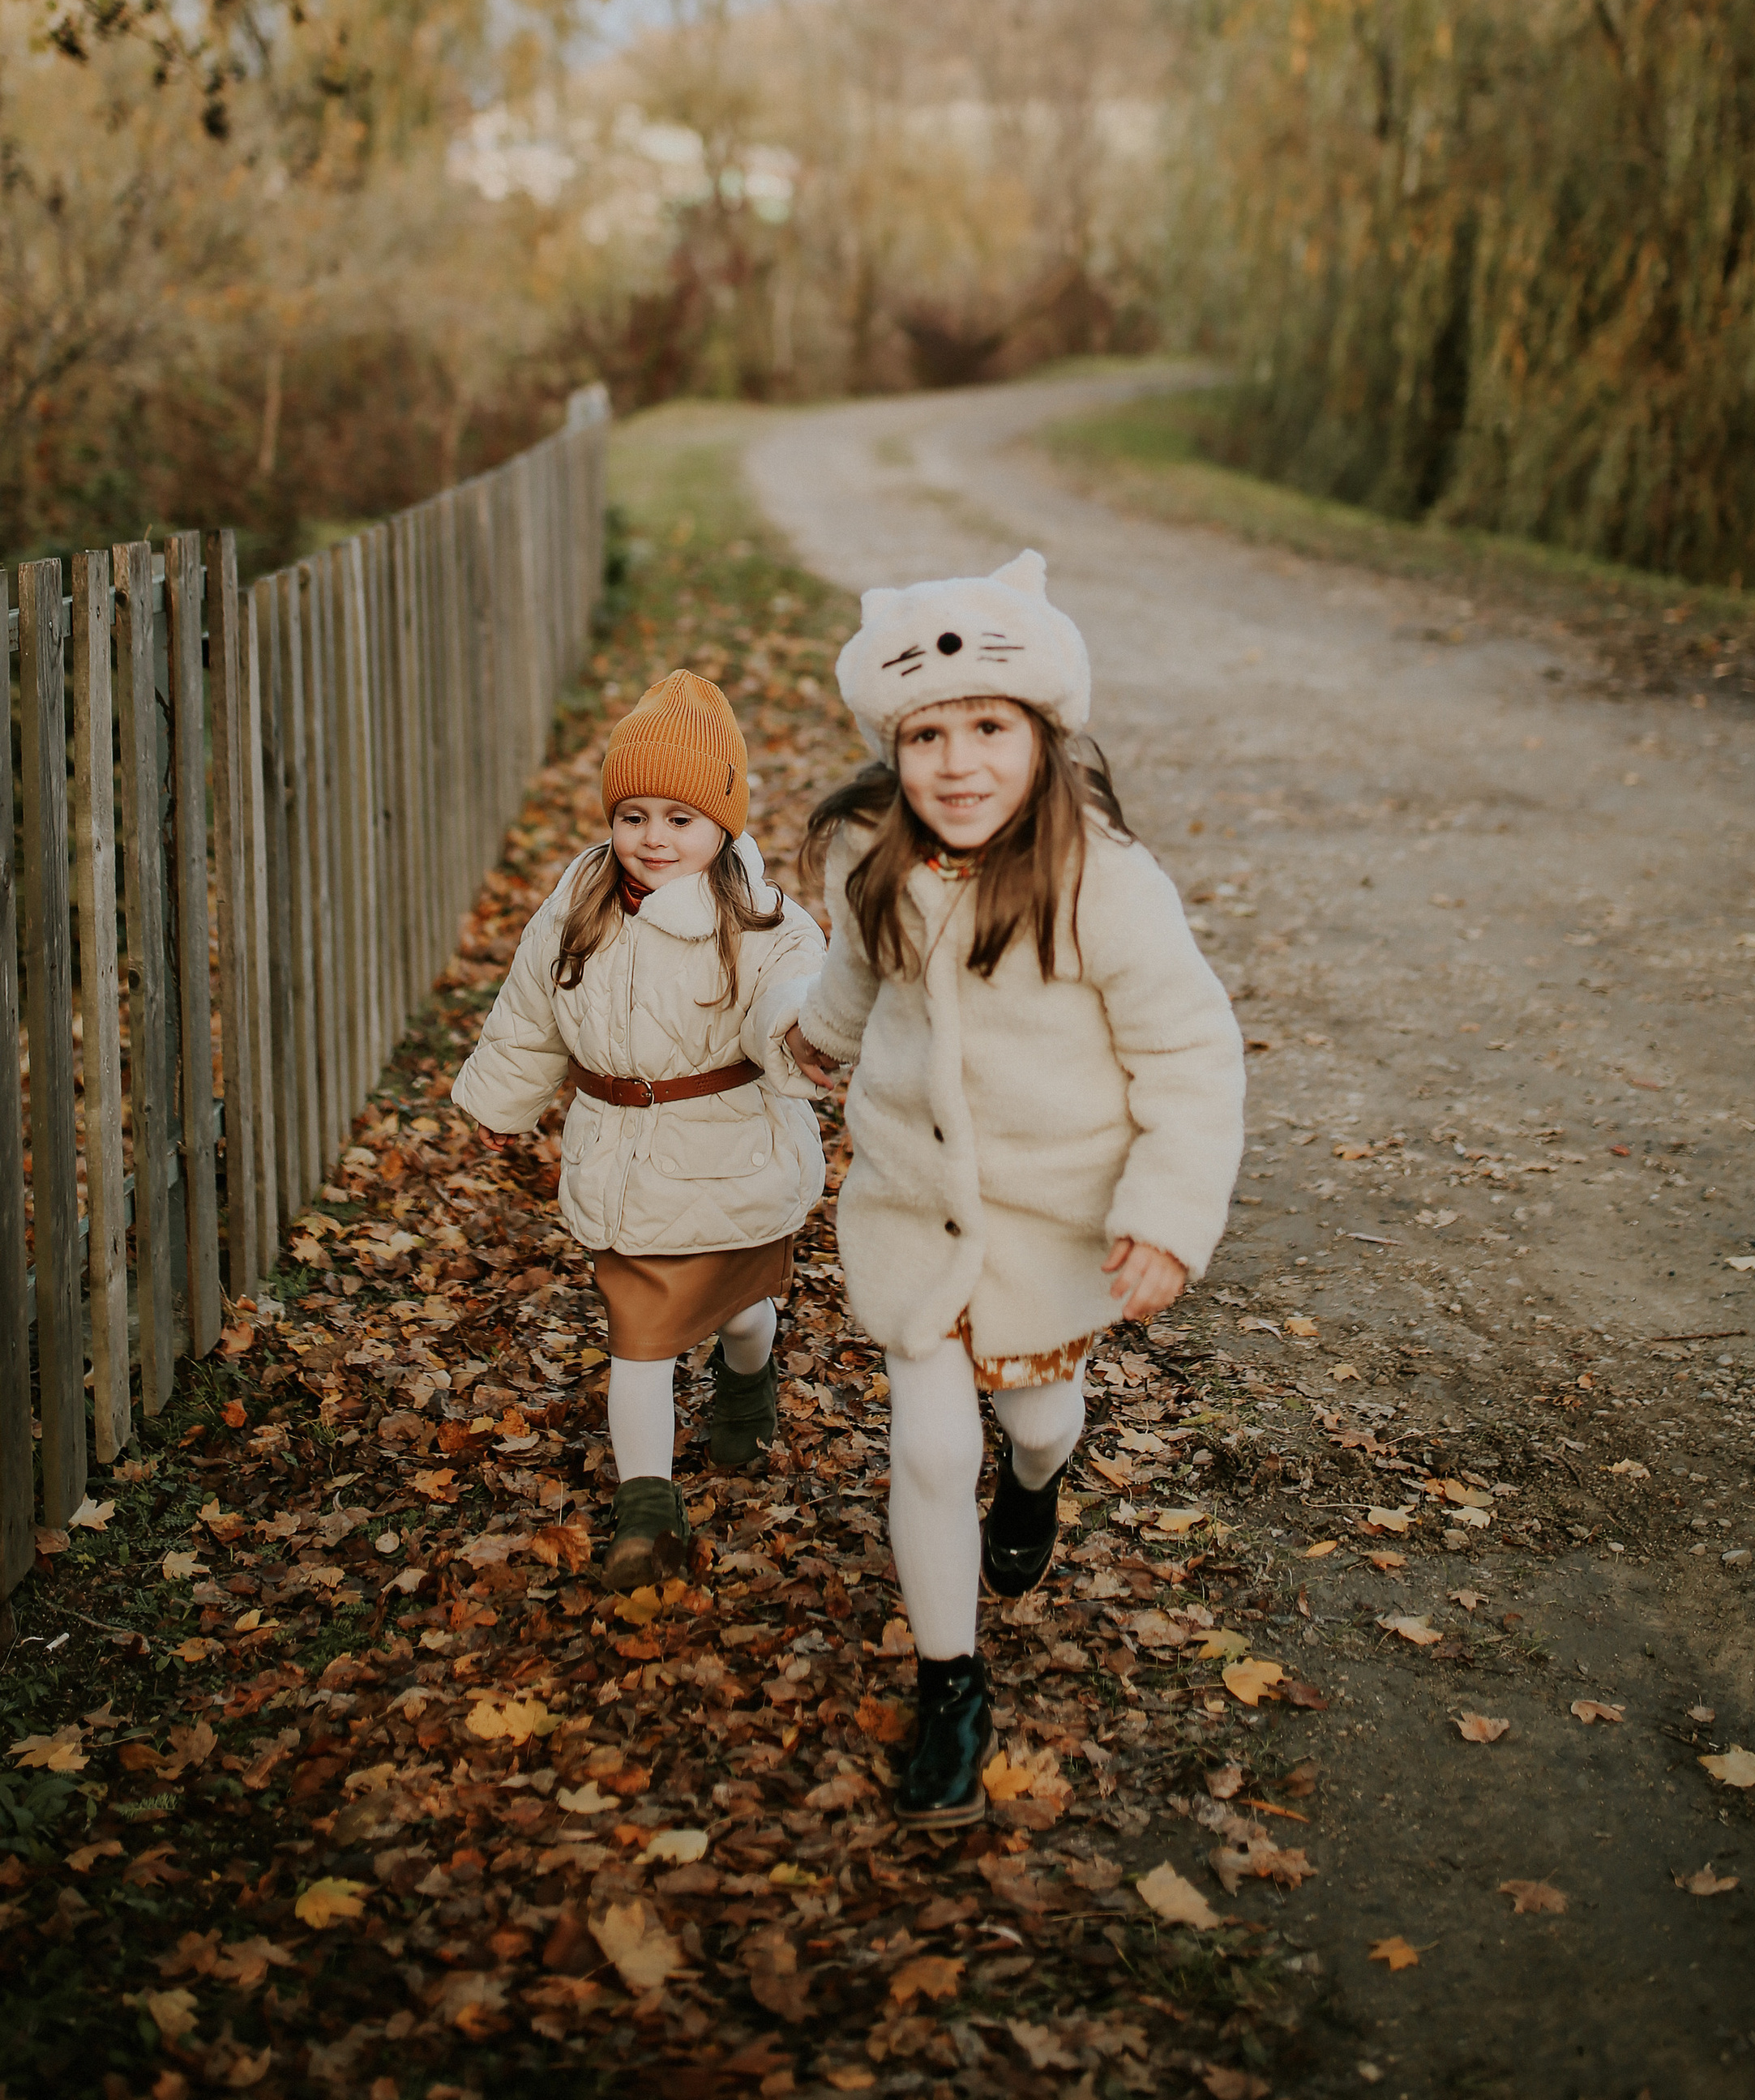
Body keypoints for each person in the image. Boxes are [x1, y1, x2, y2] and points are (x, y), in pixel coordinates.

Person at [786, 550, 1243, 1828]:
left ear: (1042, 732)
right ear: (893, 746)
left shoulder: (1103, 882)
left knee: (1035, 1422)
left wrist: (1167, 1213)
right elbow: (858, 977)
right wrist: (816, 1037)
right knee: (931, 1447)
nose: (958, 764)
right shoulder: (870, 855)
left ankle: (1037, 1480)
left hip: (1052, 1223)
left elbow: (1192, 1055)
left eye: (989, 729)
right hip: (911, 1204)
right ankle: (952, 1682)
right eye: (927, 735)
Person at [453, 669, 825, 1586]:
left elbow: (787, 1003)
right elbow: (530, 1011)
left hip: (728, 1161)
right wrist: (503, 1103)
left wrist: (802, 1030)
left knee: (743, 1314)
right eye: (633, 816)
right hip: (621, 1161)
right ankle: (647, 1510)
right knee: (640, 1339)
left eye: (680, 818)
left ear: (722, 824)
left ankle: (747, 1378)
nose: (653, 838)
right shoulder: (578, 901)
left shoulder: (763, 921)